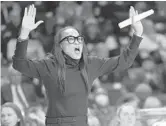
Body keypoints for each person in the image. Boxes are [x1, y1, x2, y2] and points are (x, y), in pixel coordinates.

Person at [12, 4, 143, 126]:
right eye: (70, 39)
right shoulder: (48, 65)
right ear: (60, 46)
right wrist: (24, 34)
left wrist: (137, 35)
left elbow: (124, 61)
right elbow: (19, 64)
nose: (76, 42)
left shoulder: (91, 64)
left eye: (79, 39)